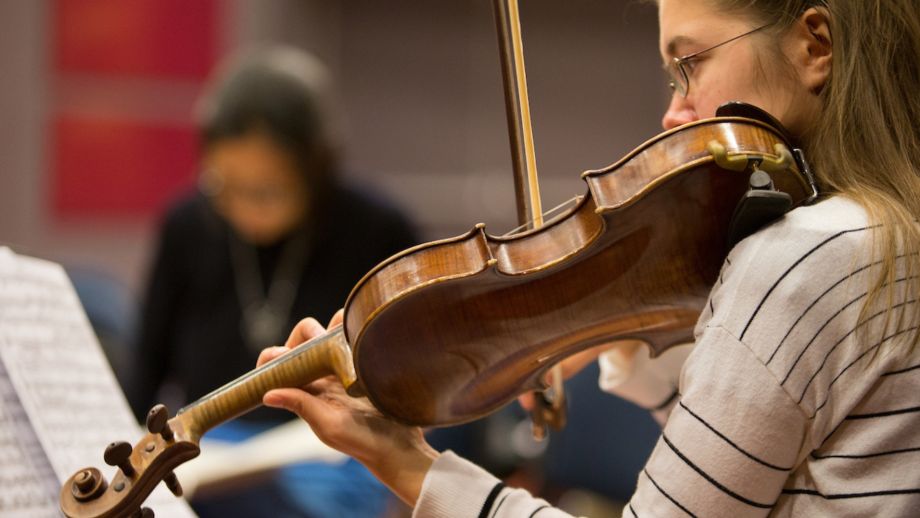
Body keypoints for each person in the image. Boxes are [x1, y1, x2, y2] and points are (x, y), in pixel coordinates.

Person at [256, 1, 920, 516]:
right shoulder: (886, 236)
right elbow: (761, 463)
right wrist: (612, 315)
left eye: (689, 63)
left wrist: (403, 462)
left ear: (814, 46)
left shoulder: (800, 260)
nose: (674, 111)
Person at [127, 46, 418, 517]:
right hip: (212, 454)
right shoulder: (186, 226)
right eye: (224, 186)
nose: (243, 207)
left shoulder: (377, 230)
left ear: (315, 169)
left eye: (266, 191)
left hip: (330, 454)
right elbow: (146, 370)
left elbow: (409, 381)